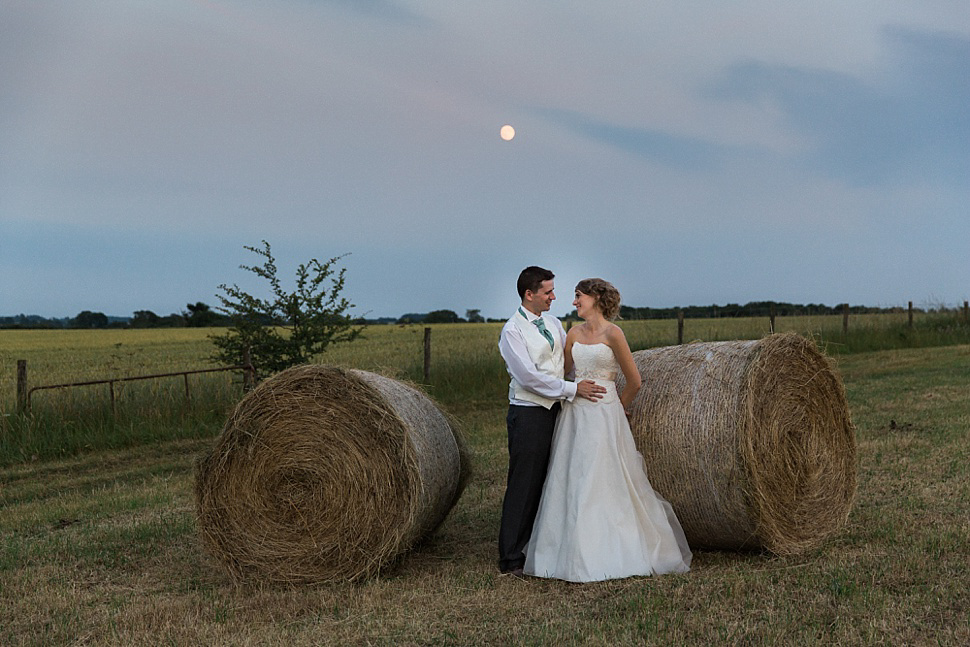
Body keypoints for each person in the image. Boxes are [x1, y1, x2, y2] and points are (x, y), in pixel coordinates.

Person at [524, 278, 692, 582]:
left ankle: (613, 548)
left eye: (578, 297)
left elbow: (634, 380)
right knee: (574, 474)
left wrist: (618, 406)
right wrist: (571, 388)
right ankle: (569, 552)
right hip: (576, 414)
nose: (574, 302)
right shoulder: (573, 334)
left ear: (596, 298)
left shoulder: (614, 334)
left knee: (604, 475)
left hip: (605, 413)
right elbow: (563, 375)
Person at [497, 266, 607, 577]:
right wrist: (573, 389)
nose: (553, 297)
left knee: (552, 479)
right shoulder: (512, 332)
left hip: (559, 409)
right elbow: (529, 378)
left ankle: (538, 546)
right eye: (547, 292)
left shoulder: (554, 323)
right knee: (525, 483)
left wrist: (593, 390)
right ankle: (510, 560)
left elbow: (567, 366)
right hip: (529, 413)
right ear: (528, 294)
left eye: (553, 290)